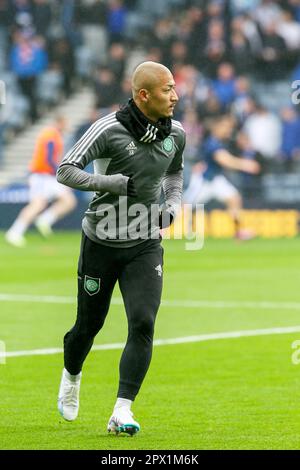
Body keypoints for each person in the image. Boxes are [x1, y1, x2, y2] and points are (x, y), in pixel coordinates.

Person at [56, 61, 185, 436]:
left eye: (175, 88)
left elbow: (176, 172)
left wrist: (174, 206)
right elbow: (65, 169)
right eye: (167, 90)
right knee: (87, 327)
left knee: (143, 322)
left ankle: (121, 410)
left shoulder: (176, 133)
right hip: (101, 240)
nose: (175, 96)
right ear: (143, 95)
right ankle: (72, 375)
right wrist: (110, 182)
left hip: (145, 243)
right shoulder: (107, 129)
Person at [184, 114, 260, 239]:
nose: (228, 130)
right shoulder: (212, 143)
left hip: (216, 179)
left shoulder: (220, 142)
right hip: (204, 180)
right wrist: (246, 165)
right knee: (183, 206)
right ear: (217, 127)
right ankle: (160, 229)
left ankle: (239, 231)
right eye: (225, 126)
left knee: (234, 199)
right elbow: (225, 160)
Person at [5, 115, 77, 247]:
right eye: (65, 123)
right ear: (60, 122)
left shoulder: (51, 134)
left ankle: (44, 220)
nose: (67, 127)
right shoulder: (51, 134)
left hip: (46, 176)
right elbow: (48, 158)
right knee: (37, 204)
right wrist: (59, 173)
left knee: (68, 200)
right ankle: (15, 232)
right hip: (42, 176)